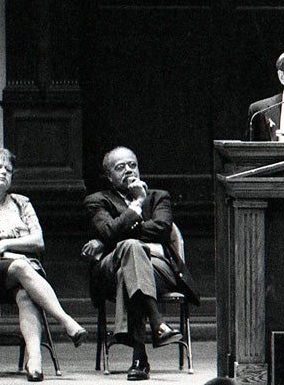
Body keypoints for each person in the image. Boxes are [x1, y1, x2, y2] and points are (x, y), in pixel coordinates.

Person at [0, 144, 87, 382]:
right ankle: (66, 321)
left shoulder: (22, 203)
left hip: (22, 273)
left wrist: (4, 245)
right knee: (22, 266)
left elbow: (38, 241)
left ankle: (34, 361)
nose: (4, 172)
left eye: (9, 169)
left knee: (25, 294)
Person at [83, 146, 200, 381]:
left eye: (132, 165)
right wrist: (137, 205)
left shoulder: (159, 196)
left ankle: (140, 358)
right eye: (120, 167)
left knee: (131, 264)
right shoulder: (97, 201)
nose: (128, 170)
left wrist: (118, 234)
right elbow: (108, 231)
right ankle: (157, 323)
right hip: (111, 269)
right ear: (109, 176)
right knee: (131, 251)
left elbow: (162, 231)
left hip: (160, 270)